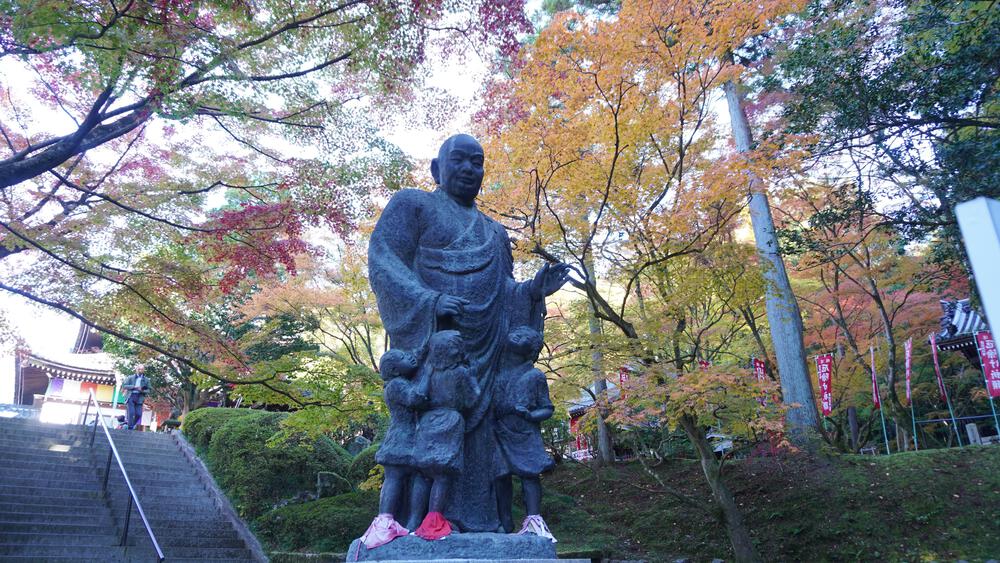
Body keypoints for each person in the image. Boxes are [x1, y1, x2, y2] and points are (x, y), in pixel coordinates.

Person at [367, 133, 570, 532]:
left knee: (482, 449)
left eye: (477, 162)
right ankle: (416, 523)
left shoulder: (494, 232)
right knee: (432, 441)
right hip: (438, 349)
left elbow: (504, 290)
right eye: (458, 160)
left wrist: (532, 291)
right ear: (436, 168)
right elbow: (385, 260)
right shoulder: (414, 205)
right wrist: (429, 301)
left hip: (487, 353)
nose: (468, 169)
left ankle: (483, 523)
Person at [410, 330, 480, 540]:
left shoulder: (428, 370)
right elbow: (471, 399)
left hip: (428, 422)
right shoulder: (460, 373)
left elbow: (419, 396)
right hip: (450, 419)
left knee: (422, 473)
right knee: (442, 474)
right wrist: (474, 376)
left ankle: (413, 519)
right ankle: (433, 519)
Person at [493, 326, 556, 542]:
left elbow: (547, 408)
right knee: (500, 475)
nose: (516, 338)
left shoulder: (535, 375)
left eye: (523, 338)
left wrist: (530, 415)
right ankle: (503, 521)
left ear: (530, 350)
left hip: (525, 432)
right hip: (500, 430)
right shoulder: (497, 372)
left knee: (530, 474)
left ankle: (533, 519)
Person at [361, 349, 426, 549]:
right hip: (403, 436)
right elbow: (415, 399)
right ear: (396, 370)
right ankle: (389, 520)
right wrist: (429, 376)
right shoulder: (397, 385)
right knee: (408, 476)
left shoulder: (396, 384)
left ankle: (405, 520)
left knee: (406, 477)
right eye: (404, 358)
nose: (410, 358)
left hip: (402, 436)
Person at [122, 365, 149, 430]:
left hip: (139, 397)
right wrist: (134, 387)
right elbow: (124, 385)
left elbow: (149, 390)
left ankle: (131, 425)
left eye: (142, 369)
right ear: (136, 369)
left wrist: (142, 390)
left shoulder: (146, 380)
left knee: (139, 414)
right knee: (131, 413)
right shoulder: (130, 377)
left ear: (143, 370)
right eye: (139, 369)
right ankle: (130, 427)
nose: (140, 370)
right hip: (131, 396)